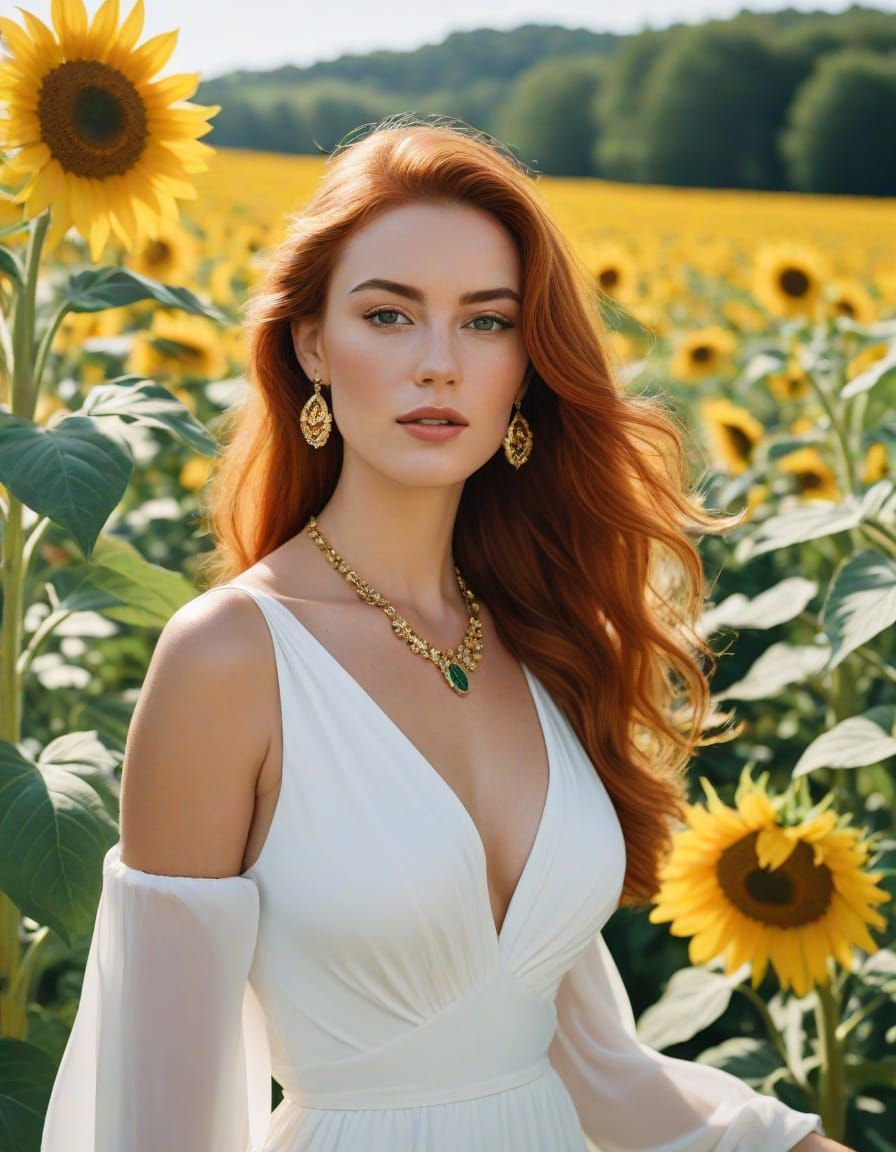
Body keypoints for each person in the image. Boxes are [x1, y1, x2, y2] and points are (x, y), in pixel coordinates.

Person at [41, 114, 838, 1152]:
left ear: (526, 365)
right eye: (388, 316)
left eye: (485, 322)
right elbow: (158, 1129)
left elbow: (599, 1075)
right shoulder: (230, 658)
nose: (438, 365)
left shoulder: (539, 636)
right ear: (311, 344)